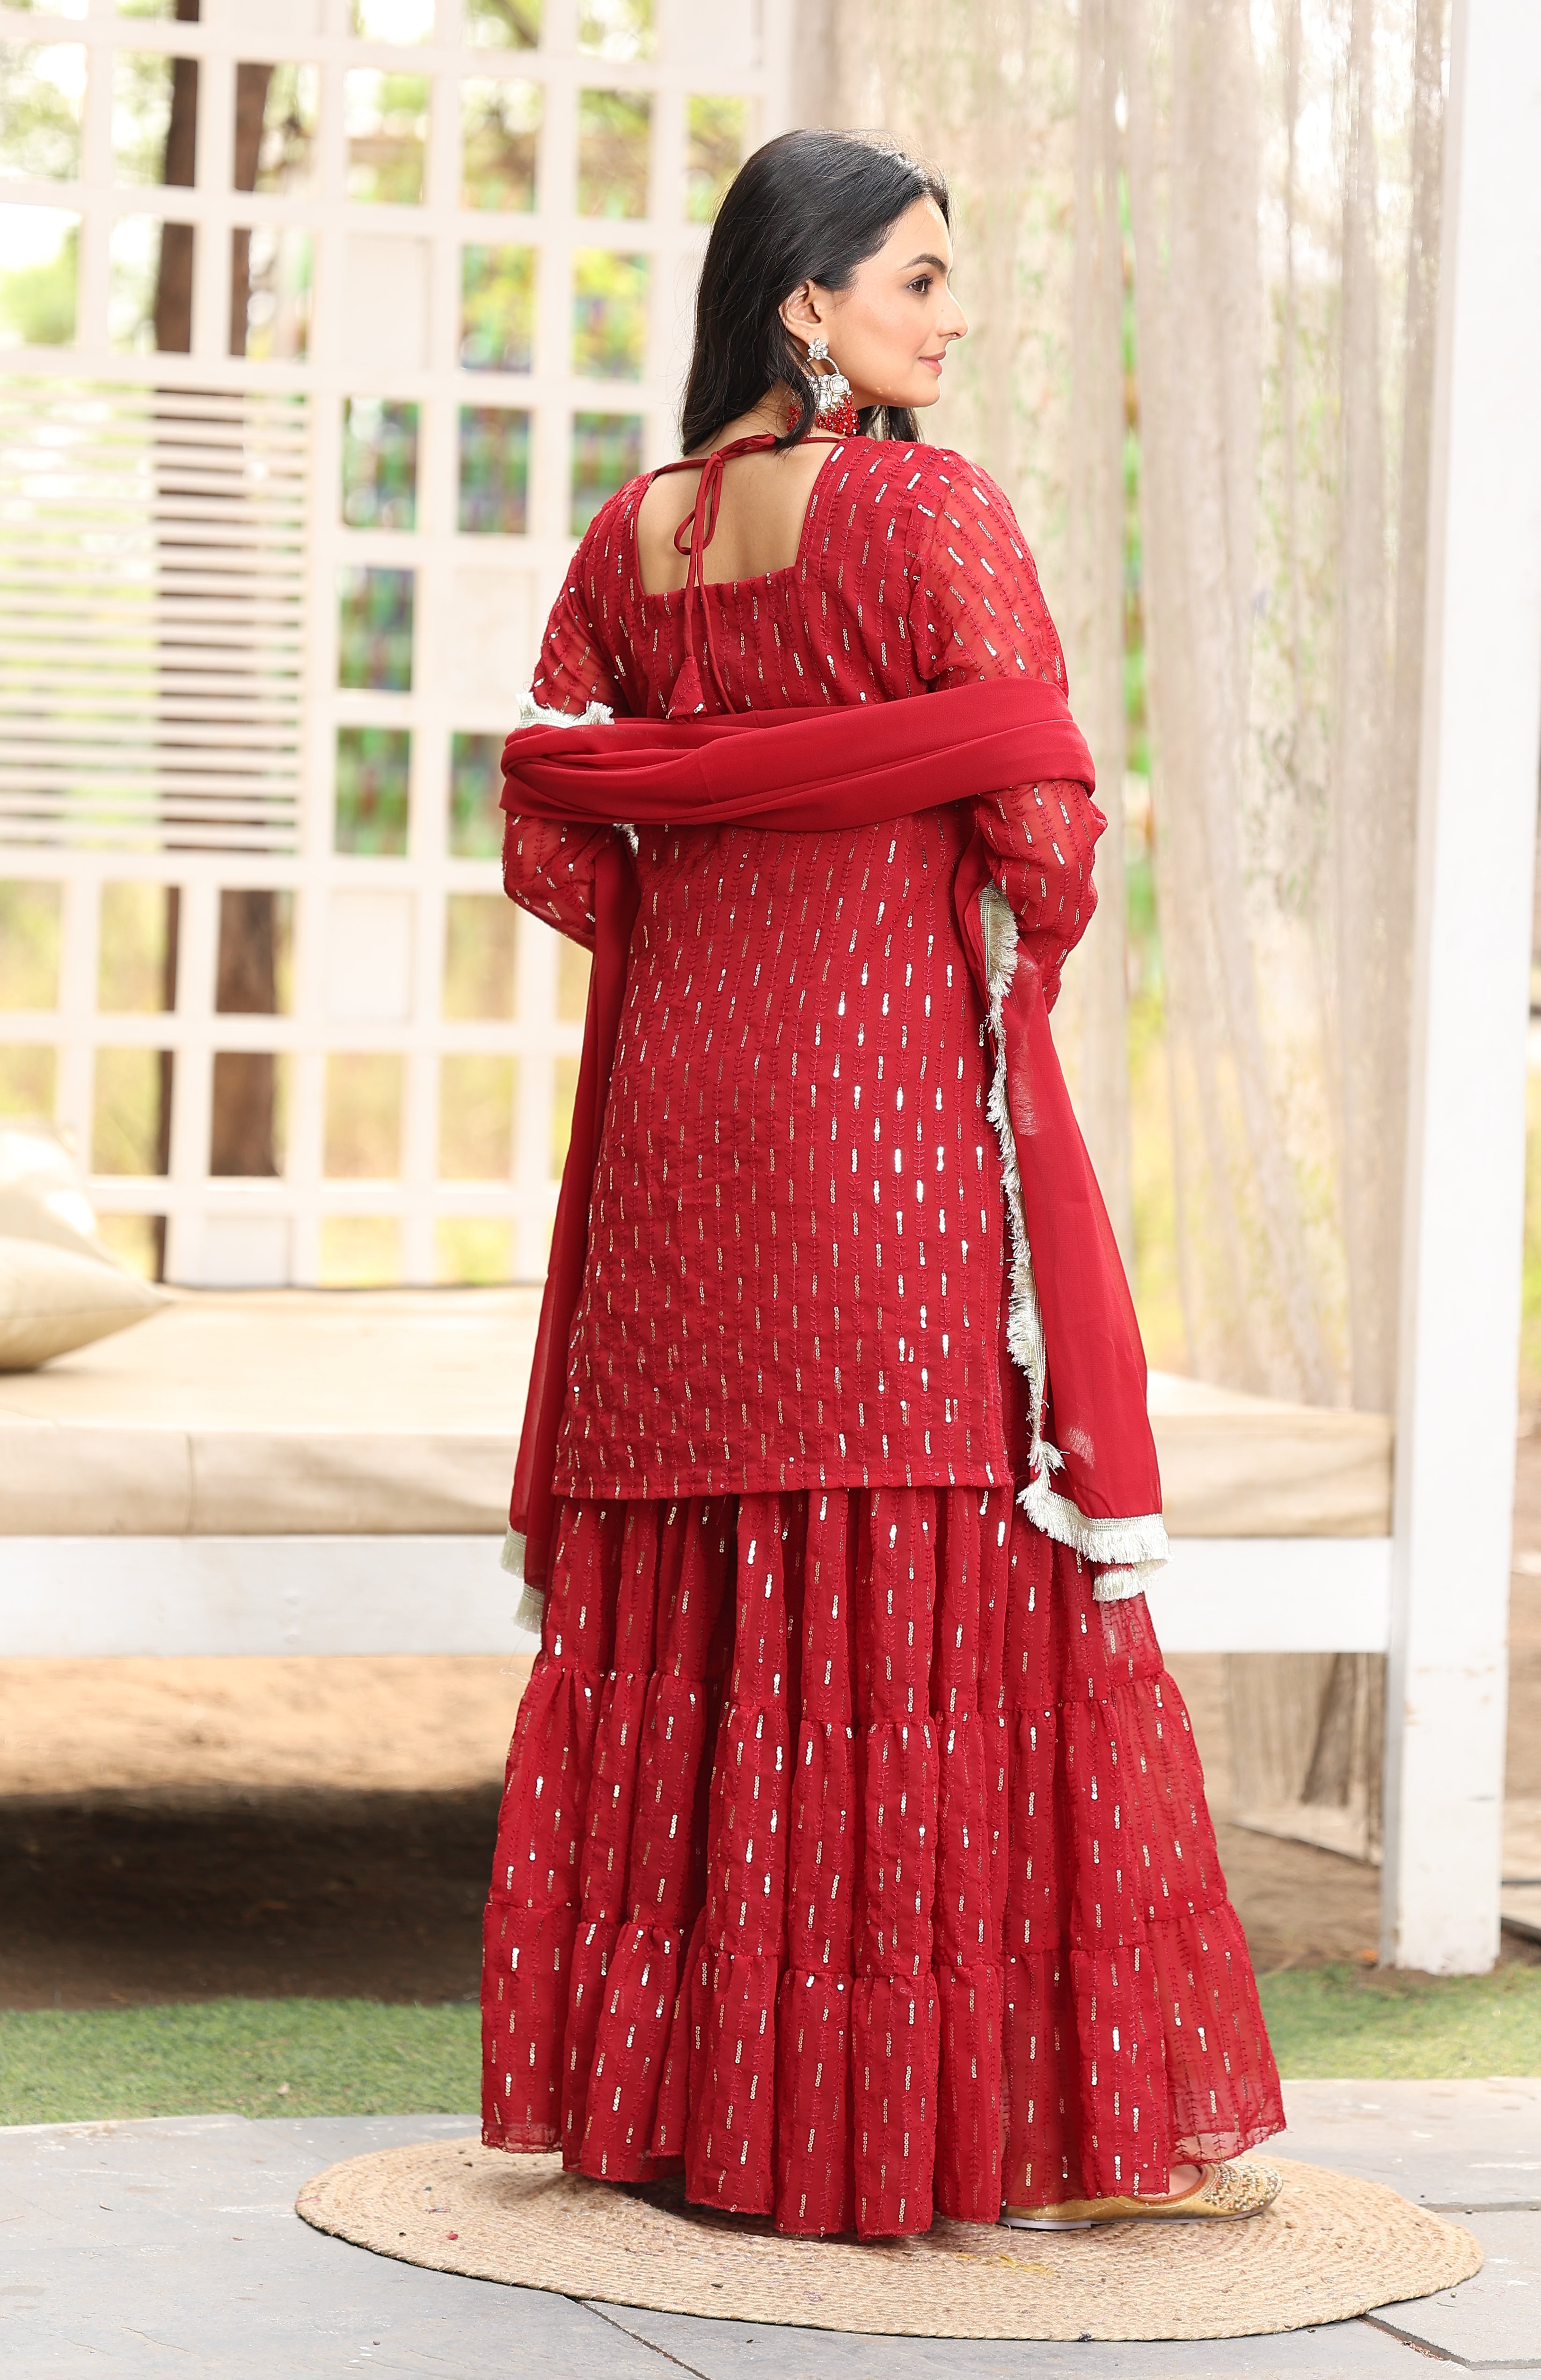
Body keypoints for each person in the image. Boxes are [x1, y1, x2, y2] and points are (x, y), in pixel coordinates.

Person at [480, 127, 1284, 2240]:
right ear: (804, 305)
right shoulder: (930, 513)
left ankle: (678, 2120)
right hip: (880, 1121)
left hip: (681, 1126)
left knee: (712, 1571)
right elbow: (1045, 838)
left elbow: (561, 830)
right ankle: (909, 2132)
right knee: (911, 1549)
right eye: (919, 279)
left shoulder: (633, 534)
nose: (956, 316)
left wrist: (724, 884)